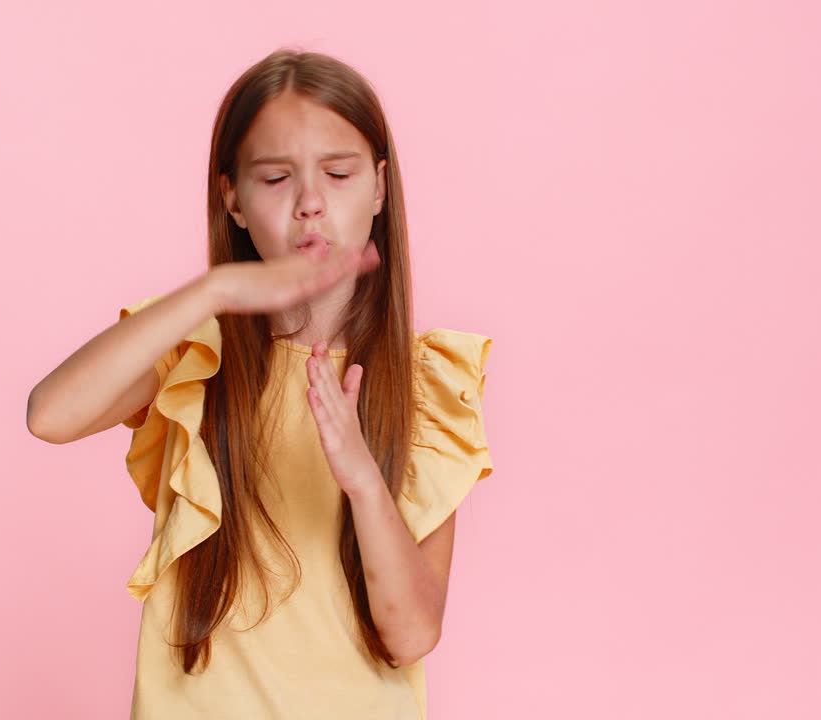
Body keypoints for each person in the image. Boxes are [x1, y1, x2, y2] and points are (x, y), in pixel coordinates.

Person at [27, 48, 494, 720]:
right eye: (276, 179)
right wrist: (216, 290)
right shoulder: (194, 354)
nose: (310, 204)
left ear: (381, 189)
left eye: (338, 173)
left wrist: (362, 480)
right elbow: (50, 414)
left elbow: (413, 633)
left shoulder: (428, 384)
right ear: (233, 200)